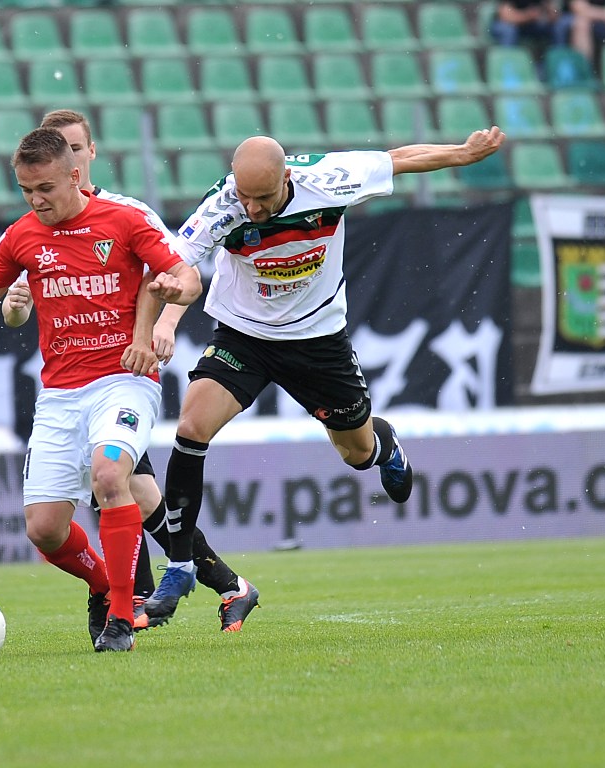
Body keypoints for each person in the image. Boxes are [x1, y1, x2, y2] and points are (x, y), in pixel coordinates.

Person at [144, 127, 508, 624]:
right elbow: (174, 270)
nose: (252, 208)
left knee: (355, 453)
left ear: (287, 179)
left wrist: (462, 154)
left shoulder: (330, 179)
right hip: (244, 336)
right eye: (245, 195)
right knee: (191, 427)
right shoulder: (223, 206)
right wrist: (164, 322)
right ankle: (181, 565)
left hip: (317, 341)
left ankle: (383, 446)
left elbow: (400, 158)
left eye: (263, 197)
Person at [0, 127, 202, 653]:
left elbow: (188, 277)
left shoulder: (124, 220)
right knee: (44, 530)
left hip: (123, 382)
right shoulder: (20, 237)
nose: (36, 200)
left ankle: (122, 618)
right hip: (60, 395)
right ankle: (104, 585)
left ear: (75, 175)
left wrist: (174, 289)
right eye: (26, 190)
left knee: (110, 475)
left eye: (46, 188)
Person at [1, 109, 260, 633]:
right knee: (130, 495)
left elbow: (172, 274)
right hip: (73, 383)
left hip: (124, 371)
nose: (70, 160)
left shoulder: (127, 213)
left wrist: (161, 327)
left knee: (122, 489)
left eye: (77, 148)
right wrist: (14, 308)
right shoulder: (38, 226)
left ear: (87, 156)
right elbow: (16, 308)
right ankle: (217, 585)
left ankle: (131, 599)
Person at [489, 0, 571, 49]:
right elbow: (505, 17)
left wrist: (549, 10)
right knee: (508, 30)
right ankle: (508, 65)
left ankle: (556, 63)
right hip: (505, 25)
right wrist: (528, 15)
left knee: (558, 26)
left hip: (530, 26)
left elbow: (555, 16)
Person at [567, 0, 605, 69]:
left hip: (604, 21)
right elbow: (579, 8)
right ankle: (584, 69)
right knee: (581, 23)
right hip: (588, 20)